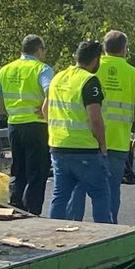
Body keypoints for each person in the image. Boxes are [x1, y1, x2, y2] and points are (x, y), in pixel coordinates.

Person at [0, 34, 53, 215]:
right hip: (36, 124)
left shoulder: (7, 69)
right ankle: (33, 210)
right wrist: (45, 110)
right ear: (39, 49)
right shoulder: (42, 69)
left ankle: (16, 206)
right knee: (37, 171)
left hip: (14, 124)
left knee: (18, 168)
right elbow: (50, 91)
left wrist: (8, 109)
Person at [47, 41, 111, 222]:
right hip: (84, 149)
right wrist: (103, 146)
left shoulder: (58, 77)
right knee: (100, 194)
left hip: (58, 146)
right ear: (96, 60)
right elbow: (95, 119)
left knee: (60, 197)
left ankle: (54, 235)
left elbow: (45, 109)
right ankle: (104, 236)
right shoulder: (89, 81)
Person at [95, 30, 135, 224]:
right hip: (118, 141)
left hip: (90, 139)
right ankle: (110, 228)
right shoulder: (133, 74)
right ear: (125, 49)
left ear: (104, 47)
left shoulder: (92, 68)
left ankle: (72, 226)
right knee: (112, 188)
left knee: (80, 187)